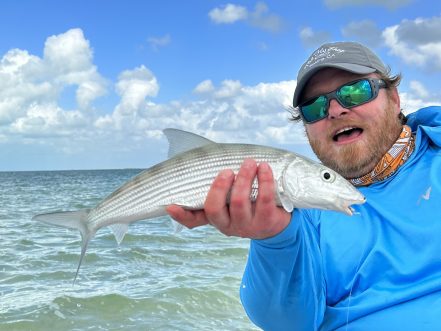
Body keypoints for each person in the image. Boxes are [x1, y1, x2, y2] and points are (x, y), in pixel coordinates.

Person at [166, 41, 441, 330]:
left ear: (394, 99)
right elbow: (288, 324)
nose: (334, 110)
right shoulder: (301, 209)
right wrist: (274, 239)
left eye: (355, 91)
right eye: (314, 107)